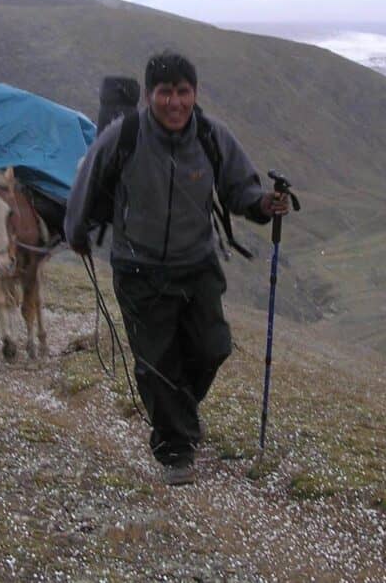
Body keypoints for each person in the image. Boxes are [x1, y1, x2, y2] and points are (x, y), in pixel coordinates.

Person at [64, 51, 289, 486]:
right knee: (158, 362)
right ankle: (175, 450)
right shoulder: (124, 136)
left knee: (213, 347)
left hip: (197, 265)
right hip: (137, 268)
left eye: (182, 92)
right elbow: (88, 181)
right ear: (149, 96)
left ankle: (177, 413)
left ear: (195, 93)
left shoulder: (210, 136)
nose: (174, 102)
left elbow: (241, 186)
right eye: (165, 92)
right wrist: (77, 229)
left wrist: (264, 204)